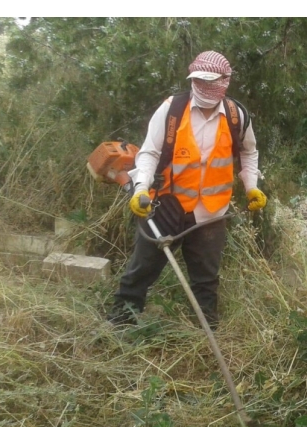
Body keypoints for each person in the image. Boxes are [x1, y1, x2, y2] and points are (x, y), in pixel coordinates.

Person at [106, 50, 267, 329]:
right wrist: (141, 188)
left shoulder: (235, 116)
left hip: (212, 212)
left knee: (206, 278)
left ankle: (205, 333)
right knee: (142, 267)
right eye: (199, 81)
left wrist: (251, 187)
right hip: (167, 204)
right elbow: (149, 153)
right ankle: (121, 323)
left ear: (224, 82)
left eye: (210, 82)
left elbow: (249, 153)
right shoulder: (172, 110)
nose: (204, 88)